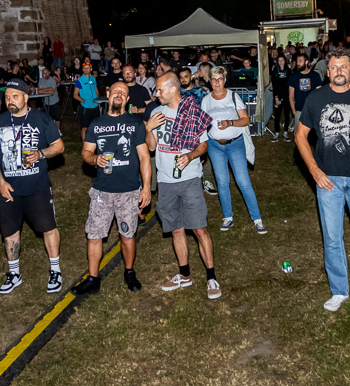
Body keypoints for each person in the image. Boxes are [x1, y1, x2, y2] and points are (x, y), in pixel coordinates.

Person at [294, 47, 350, 312]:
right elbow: (300, 136)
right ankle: (339, 289)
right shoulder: (316, 98)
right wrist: (314, 171)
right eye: (334, 67)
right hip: (329, 181)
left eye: (344, 66)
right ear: (327, 71)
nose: (339, 71)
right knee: (332, 237)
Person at [0, 78, 66, 295]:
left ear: (26, 97)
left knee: (48, 228)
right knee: (9, 232)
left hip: (37, 186)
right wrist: (0, 182)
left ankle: (55, 270)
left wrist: (41, 153)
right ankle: (14, 274)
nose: (10, 100)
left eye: (15, 96)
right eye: (7, 97)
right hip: (8, 188)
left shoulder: (41, 119)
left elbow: (59, 147)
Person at [144, 73, 220, 299]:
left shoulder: (192, 112)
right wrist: (148, 129)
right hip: (165, 181)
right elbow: (151, 148)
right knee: (176, 229)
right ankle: (184, 274)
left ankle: (211, 277)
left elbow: (204, 145)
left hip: (189, 179)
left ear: (173, 89)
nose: (156, 94)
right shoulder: (156, 114)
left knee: (199, 229)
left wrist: (190, 155)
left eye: (160, 90)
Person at [74, 81, 151, 294]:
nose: (119, 94)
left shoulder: (135, 124)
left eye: (123, 93)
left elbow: (144, 157)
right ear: (108, 94)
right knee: (94, 234)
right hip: (102, 189)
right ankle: (93, 279)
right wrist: (94, 159)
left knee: (127, 234)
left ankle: (129, 272)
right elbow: (86, 152)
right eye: (115, 91)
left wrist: (146, 188)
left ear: (127, 99)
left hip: (129, 189)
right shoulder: (96, 124)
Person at [202, 66, 266, 234]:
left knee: (243, 181)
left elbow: (245, 120)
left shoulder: (233, 96)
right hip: (215, 146)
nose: (217, 83)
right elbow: (202, 124)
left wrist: (230, 123)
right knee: (222, 182)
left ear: (225, 80)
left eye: (220, 79)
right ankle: (228, 217)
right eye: (214, 79)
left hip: (235, 144)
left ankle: (257, 219)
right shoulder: (206, 100)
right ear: (210, 81)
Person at [288, 53, 322, 133]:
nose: (298, 63)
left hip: (312, 111)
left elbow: (319, 94)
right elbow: (291, 96)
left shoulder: (315, 76)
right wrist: (294, 111)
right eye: (297, 61)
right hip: (299, 111)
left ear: (306, 62)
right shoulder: (294, 77)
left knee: (312, 135)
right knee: (299, 135)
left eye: (300, 61)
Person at [73, 60, 102, 140]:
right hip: (86, 107)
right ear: (82, 69)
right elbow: (75, 95)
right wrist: (84, 101)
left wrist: (97, 97)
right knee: (84, 127)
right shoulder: (79, 81)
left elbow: (96, 90)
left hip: (95, 106)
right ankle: (84, 144)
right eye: (84, 68)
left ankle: (94, 142)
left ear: (91, 69)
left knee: (95, 126)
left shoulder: (93, 79)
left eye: (88, 68)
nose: (86, 70)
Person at [269, 54, 293, 142]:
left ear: (285, 61)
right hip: (278, 96)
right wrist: (276, 97)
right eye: (279, 61)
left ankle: (285, 132)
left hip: (287, 96)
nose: (281, 62)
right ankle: (276, 133)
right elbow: (274, 85)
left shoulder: (289, 71)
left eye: (282, 60)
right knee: (277, 115)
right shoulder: (275, 71)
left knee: (287, 114)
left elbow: (290, 85)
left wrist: (291, 96)